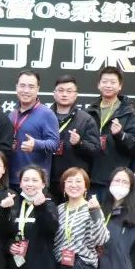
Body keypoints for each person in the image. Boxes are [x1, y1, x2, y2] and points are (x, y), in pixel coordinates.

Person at [84, 67, 135, 198]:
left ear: (120, 86)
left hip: (116, 179)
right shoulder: (89, 111)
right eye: (105, 82)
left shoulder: (128, 112)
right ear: (99, 85)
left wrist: (120, 135)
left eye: (113, 82)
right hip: (91, 176)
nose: (108, 85)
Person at [48, 75, 100, 203]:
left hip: (74, 183)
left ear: (76, 95)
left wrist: (79, 143)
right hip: (47, 180)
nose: (64, 94)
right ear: (54, 93)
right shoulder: (44, 116)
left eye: (69, 91)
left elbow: (95, 150)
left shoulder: (86, 119)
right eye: (61, 90)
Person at [8, 71, 59, 188]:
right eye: (22, 86)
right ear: (16, 87)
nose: (26, 90)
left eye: (31, 87)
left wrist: (36, 144)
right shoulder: (12, 114)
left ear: (38, 89)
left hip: (35, 182)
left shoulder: (47, 114)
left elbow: (55, 144)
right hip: (12, 180)